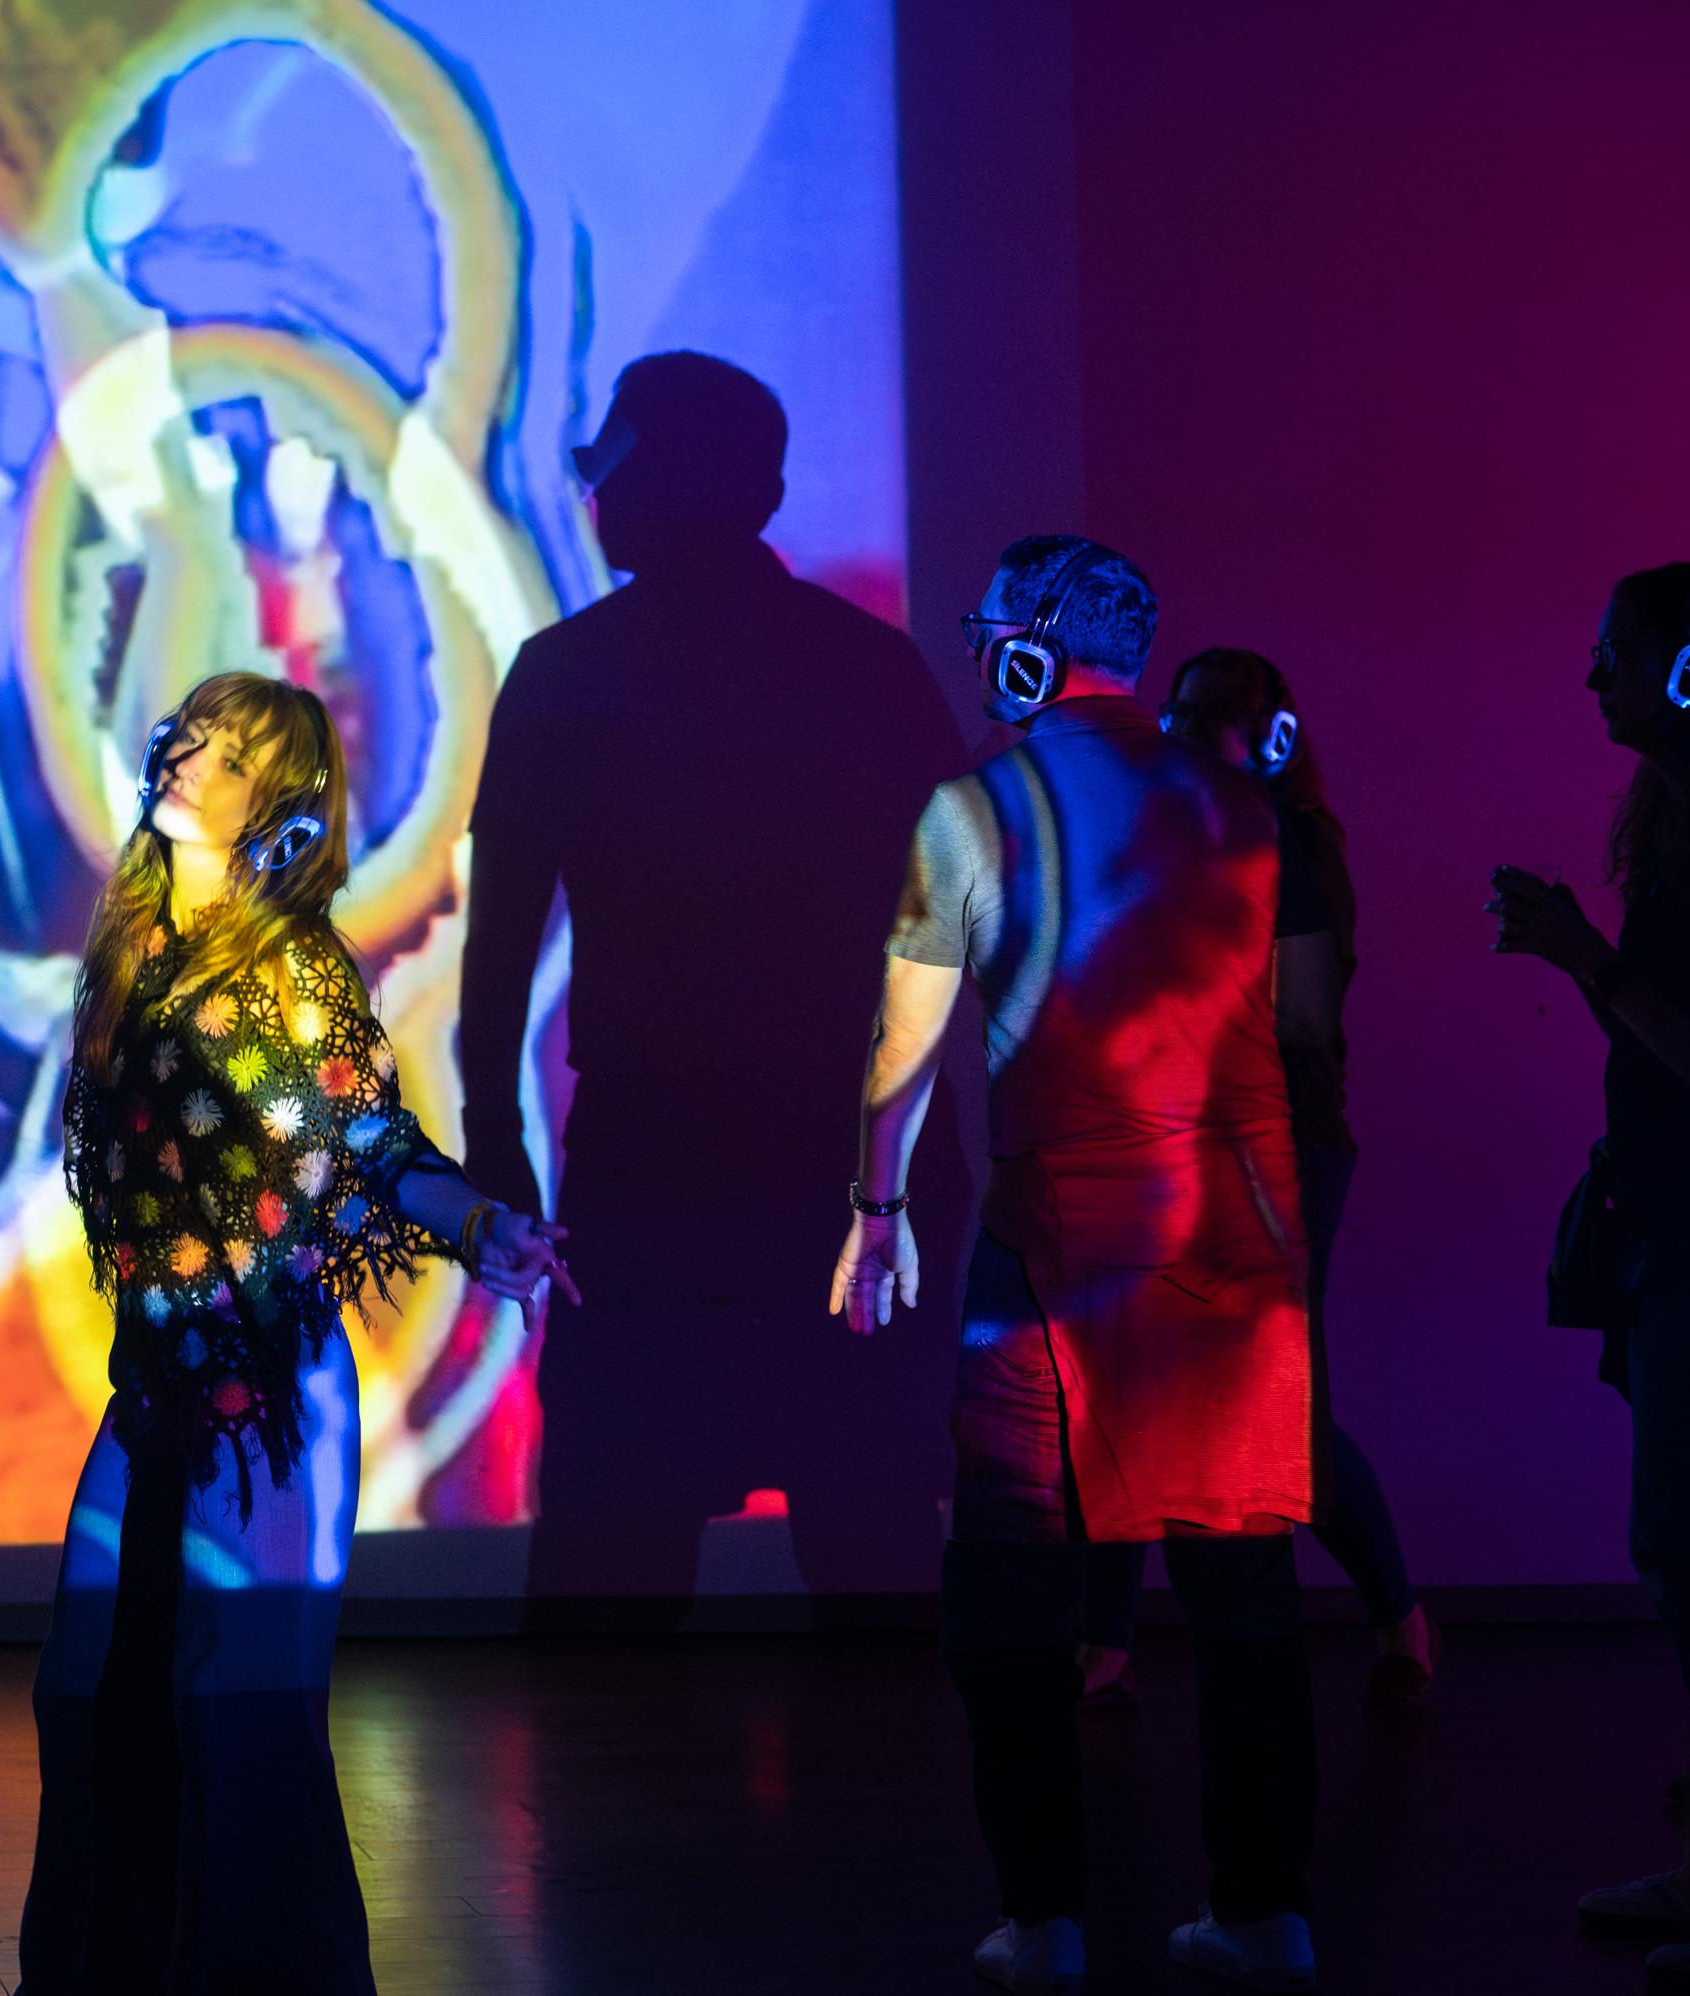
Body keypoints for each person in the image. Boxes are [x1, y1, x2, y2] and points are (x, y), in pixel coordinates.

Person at [19, 672, 574, 1993]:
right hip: (156, 1384)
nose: (177, 760)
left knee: (242, 1724)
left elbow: (365, 1139)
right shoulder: (137, 955)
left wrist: (472, 1219)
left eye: (214, 753)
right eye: (178, 740)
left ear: (279, 805)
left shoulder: (291, 968)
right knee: (91, 1693)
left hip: (263, 1394)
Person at [830, 538, 1320, 1992]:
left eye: (989, 635)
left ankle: (1042, 1917)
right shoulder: (1240, 800)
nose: (979, 657)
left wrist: (876, 1204)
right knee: (1244, 1590)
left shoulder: (977, 808)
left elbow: (903, 1038)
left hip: (1057, 1248)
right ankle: (1266, 1911)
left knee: (1009, 1589)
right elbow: (1281, 1021)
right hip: (1238, 1240)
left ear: (1030, 650)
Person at [460, 351, 970, 1610]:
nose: (593, 495)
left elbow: (502, 941)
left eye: (612, 462)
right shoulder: (871, 668)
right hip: (848, 1157)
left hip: (659, 1161)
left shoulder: (567, 673)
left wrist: (492, 1143)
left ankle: (598, 1821)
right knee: (876, 1548)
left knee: (613, 1550)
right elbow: (957, 926)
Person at [1077, 649, 1435, 1709]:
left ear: (1269, 734)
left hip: (1276, 1157)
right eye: (1175, 713)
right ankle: (1102, 1648)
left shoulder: (1292, 848)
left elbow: (1308, 1027)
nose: (1179, 735)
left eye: (1205, 718)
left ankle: (1399, 1619)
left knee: (1286, 1416)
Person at [1491, 564, 1690, 1966]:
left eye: (1614, 654)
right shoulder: (1672, 815)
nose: (1591, 678)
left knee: (1681, 1540)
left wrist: (1576, 954)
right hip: (1665, 1220)